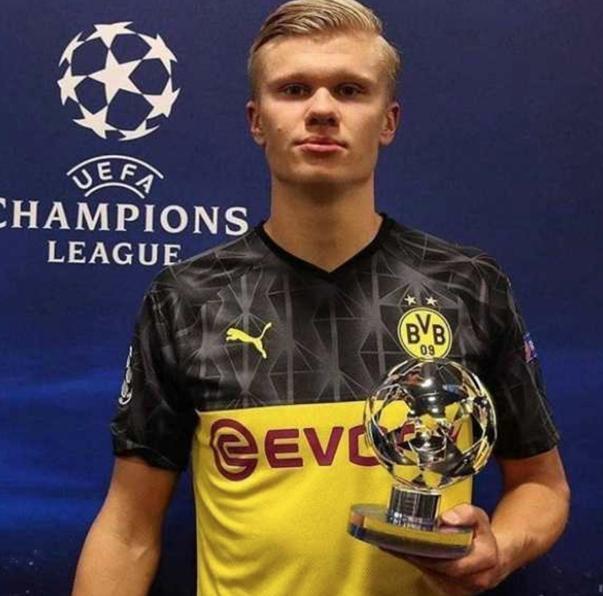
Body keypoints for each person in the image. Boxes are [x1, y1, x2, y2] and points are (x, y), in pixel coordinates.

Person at [72, 1, 570, 594]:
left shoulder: (467, 284)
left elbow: (541, 485)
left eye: (351, 90)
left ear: (388, 121)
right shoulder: (187, 299)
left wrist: (501, 548)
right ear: (257, 121)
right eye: (295, 89)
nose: (323, 109)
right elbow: (128, 529)